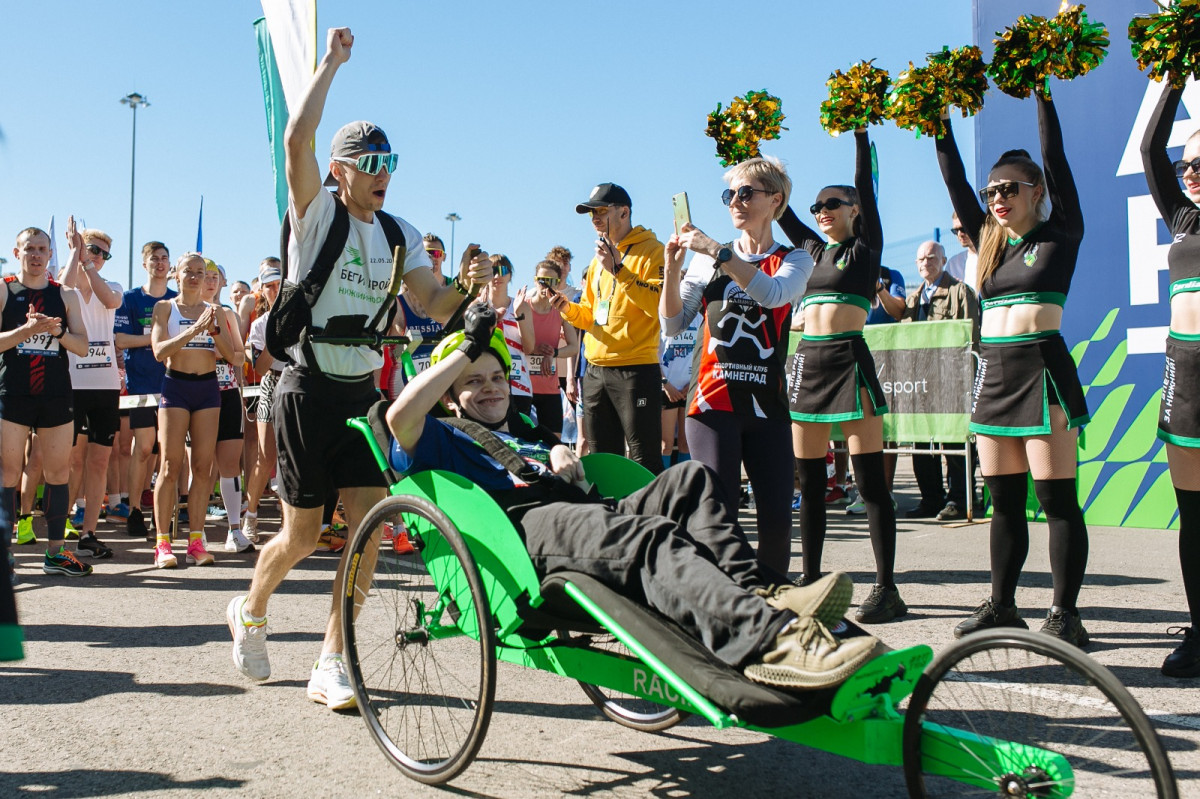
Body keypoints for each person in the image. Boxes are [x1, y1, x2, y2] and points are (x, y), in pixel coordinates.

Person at [385, 300, 879, 691]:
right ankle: (769, 643)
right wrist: (467, 349)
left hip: (583, 511)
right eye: (473, 382)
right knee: (649, 537)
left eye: (497, 377)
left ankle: (761, 594)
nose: (491, 389)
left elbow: (566, 464)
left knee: (691, 481)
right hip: (522, 535)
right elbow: (398, 418)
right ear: (451, 393)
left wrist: (556, 453)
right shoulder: (442, 437)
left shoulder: (528, 432)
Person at [226, 26, 492, 710]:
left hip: (361, 393)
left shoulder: (400, 233)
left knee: (367, 528)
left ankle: (330, 657)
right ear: (340, 170)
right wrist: (331, 64)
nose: (383, 171)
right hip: (303, 388)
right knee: (302, 533)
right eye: (369, 160)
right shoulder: (315, 214)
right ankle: (250, 609)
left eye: (389, 159)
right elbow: (296, 140)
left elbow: (431, 299)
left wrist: (468, 293)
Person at [935, 94, 1091, 647]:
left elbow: (1056, 156)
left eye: (1010, 189)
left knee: (1055, 500)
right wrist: (938, 124)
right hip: (996, 376)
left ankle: (1065, 613)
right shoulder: (991, 246)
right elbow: (955, 184)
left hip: (1043, 369)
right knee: (1003, 503)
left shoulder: (1060, 233)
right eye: (992, 191)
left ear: (1036, 191)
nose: (999, 198)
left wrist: (1044, 90)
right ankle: (1002, 605)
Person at [661, 156, 814, 574]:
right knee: (718, 518)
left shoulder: (795, 259)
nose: (735, 202)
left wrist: (718, 251)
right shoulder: (706, 260)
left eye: (746, 193)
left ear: (775, 200)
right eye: (730, 194)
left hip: (767, 404)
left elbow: (771, 294)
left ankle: (777, 605)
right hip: (711, 405)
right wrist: (672, 273)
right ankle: (727, 605)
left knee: (778, 519)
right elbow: (673, 324)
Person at [778, 128, 905, 624]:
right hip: (808, 364)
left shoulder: (864, 248)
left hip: (850, 362)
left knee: (872, 485)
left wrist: (859, 132)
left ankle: (887, 587)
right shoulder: (812, 251)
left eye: (833, 203)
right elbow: (783, 210)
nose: (822, 210)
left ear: (855, 210)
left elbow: (866, 187)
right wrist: (758, 162)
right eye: (817, 206)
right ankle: (810, 580)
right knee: (810, 485)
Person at [1141, 81, 1200, 677]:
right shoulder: (1184, 217)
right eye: (1188, 166)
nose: (1191, 174)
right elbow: (1149, 151)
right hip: (1186, 370)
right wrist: (1176, 68)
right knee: (1195, 513)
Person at [550, 183, 665, 474]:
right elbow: (590, 316)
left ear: (624, 212)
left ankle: (650, 519)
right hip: (595, 372)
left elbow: (658, 305)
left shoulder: (653, 250)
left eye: (601, 211)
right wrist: (566, 308)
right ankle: (611, 518)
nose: (594, 218)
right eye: (590, 213)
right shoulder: (598, 260)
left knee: (643, 461)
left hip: (636, 370)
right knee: (603, 463)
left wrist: (619, 270)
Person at [0, 227, 90, 576]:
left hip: (55, 393)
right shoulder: (5, 289)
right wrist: (24, 332)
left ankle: (55, 552)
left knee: (57, 472)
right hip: (13, 393)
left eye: (41, 249)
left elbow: (82, 347)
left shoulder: (65, 294)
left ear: (51, 254)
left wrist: (57, 332)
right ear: (17, 251)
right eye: (29, 249)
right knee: (8, 473)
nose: (35, 255)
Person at [149, 253, 240, 568]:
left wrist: (214, 330)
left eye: (201, 273)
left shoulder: (215, 311)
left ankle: (196, 541)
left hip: (207, 389)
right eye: (189, 271)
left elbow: (233, 356)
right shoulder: (165, 308)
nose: (195, 277)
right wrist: (193, 330)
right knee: (170, 466)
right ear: (177, 274)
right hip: (176, 388)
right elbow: (160, 351)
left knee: (203, 468)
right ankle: (163, 543)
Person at [900, 240, 979, 523]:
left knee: (954, 444)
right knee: (921, 444)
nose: (926, 263)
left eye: (932, 258)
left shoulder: (960, 292)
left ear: (944, 261)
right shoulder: (913, 299)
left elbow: (971, 337)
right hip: (919, 384)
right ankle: (930, 498)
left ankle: (960, 498)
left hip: (951, 382)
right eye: (921, 259)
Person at [59, 219, 123, 560]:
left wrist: (87, 263)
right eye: (93, 249)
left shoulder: (110, 284)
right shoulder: (68, 283)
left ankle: (89, 533)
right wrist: (75, 254)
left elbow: (110, 301)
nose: (98, 257)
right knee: (69, 462)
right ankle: (59, 536)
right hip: (71, 385)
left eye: (104, 254)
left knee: (99, 461)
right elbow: (61, 289)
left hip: (104, 387)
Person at [114, 241, 175, 540]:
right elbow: (121, 340)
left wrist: (153, 339)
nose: (160, 263)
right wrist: (157, 339)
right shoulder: (129, 299)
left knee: (169, 451)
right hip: (141, 385)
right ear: (144, 264)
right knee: (144, 447)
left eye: (164, 258)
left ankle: (163, 516)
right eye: (154, 258)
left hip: (175, 384)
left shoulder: (177, 300)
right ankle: (134, 509)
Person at [200, 260, 252, 553]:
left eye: (214, 277)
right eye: (204, 276)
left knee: (230, 464)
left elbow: (238, 356)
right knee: (200, 466)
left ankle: (235, 530)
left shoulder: (228, 314)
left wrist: (221, 348)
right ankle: (199, 534)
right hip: (195, 393)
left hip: (228, 392)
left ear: (222, 281)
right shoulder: (182, 310)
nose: (209, 282)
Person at [241, 264, 283, 543]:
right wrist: (278, 337)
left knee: (294, 458)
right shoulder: (260, 324)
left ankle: (288, 521)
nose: (275, 290)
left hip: (300, 385)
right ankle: (251, 516)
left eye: (279, 284)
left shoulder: (307, 316)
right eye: (269, 286)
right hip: (272, 383)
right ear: (262, 292)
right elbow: (261, 366)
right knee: (265, 455)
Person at [513, 259, 578, 436]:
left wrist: (554, 353)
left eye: (551, 281)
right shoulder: (522, 306)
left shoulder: (561, 310)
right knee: (521, 441)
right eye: (542, 280)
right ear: (535, 281)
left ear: (558, 283)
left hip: (549, 386)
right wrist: (534, 350)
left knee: (554, 442)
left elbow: (574, 347)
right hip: (522, 387)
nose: (545, 286)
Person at [486, 254, 534, 418]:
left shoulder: (521, 305)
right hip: (488, 384)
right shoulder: (478, 305)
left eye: (503, 270)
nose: (497, 276)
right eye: (493, 270)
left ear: (510, 275)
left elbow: (529, 347)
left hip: (519, 386)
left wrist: (519, 314)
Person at [944, 212, 979, 291]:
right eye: (955, 231)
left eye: (963, 229)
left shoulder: (994, 256)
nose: (960, 234)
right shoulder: (953, 263)